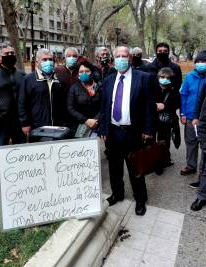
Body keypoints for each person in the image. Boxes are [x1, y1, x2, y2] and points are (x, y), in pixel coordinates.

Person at [99, 45, 155, 216]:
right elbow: (104, 107)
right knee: (115, 168)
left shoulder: (143, 78)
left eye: (125, 56)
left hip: (133, 132)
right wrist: (103, 128)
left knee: (135, 168)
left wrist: (148, 129)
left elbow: (149, 107)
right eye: (118, 56)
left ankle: (140, 199)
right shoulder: (108, 80)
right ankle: (117, 193)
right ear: (113, 59)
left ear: (130, 58)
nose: (121, 59)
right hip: (113, 132)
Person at [18, 48, 66, 139]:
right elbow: (22, 103)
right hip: (37, 127)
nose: (48, 62)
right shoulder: (28, 79)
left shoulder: (58, 79)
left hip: (57, 126)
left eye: (50, 59)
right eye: (44, 60)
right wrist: (24, 123)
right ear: (37, 62)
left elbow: (63, 102)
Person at [180, 50, 206, 181]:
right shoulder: (190, 77)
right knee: (191, 143)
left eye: (204, 61)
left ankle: (204, 171)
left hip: (204, 119)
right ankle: (191, 166)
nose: (201, 64)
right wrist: (183, 113)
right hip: (190, 117)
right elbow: (184, 95)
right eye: (198, 62)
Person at [67, 61, 102, 136]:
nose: (84, 74)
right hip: (79, 126)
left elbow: (105, 106)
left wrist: (95, 120)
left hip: (97, 125)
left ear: (92, 72)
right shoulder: (74, 88)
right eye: (81, 72)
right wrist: (86, 120)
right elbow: (70, 108)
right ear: (78, 74)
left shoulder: (100, 86)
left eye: (87, 71)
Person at [155, 67, 179, 173]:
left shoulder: (174, 91)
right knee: (151, 143)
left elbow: (177, 105)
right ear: (158, 77)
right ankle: (153, 161)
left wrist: (165, 106)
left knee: (164, 142)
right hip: (153, 120)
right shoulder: (153, 89)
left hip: (166, 121)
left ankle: (161, 164)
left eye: (167, 77)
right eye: (162, 77)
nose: (164, 79)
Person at [147, 42, 182, 108]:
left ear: (168, 52)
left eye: (165, 51)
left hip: (170, 104)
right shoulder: (149, 67)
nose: (162, 53)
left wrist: (166, 104)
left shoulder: (175, 68)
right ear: (156, 52)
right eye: (160, 51)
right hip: (152, 104)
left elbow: (177, 86)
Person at [190, 81, 206, 211]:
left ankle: (202, 195)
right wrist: (196, 116)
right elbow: (200, 99)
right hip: (204, 125)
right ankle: (202, 183)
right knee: (204, 159)